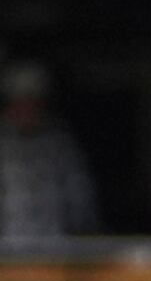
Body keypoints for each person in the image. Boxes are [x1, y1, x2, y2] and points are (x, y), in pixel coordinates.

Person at [0, 63, 99, 242]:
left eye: (33, 101)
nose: (27, 109)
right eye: (20, 101)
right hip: (8, 252)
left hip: (53, 250)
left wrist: (81, 234)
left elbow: (80, 200)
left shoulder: (60, 145)